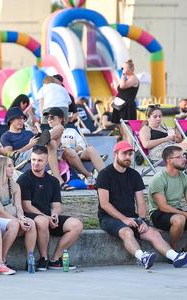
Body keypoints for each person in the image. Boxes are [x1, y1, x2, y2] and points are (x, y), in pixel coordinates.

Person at [97, 141, 187, 269]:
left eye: (130, 154)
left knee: (154, 234)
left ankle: (174, 257)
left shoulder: (134, 175)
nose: (128, 157)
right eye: (124, 154)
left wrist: (142, 220)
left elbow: (140, 202)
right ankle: (143, 256)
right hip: (108, 218)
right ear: (115, 154)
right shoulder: (104, 175)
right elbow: (105, 204)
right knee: (127, 231)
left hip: (131, 217)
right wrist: (124, 219)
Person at [17, 146, 83, 270]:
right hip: (31, 216)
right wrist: (47, 217)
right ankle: (43, 258)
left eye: (40, 160)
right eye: (33, 160)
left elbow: (57, 205)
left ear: (47, 162)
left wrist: (54, 215)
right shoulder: (24, 179)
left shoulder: (53, 181)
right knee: (43, 221)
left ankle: (55, 259)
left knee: (76, 224)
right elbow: (26, 205)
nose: (36, 163)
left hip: (47, 217)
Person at [0, 156, 37, 267]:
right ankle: (1, 260)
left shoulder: (15, 186)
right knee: (14, 225)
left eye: (12, 166)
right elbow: (0, 210)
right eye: (9, 166)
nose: (12, 168)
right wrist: (18, 221)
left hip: (11, 217)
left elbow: (18, 207)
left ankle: (30, 260)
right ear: (1, 168)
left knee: (31, 223)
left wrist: (22, 218)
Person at [43, 107, 106, 188]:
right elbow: (46, 147)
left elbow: (82, 145)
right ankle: (88, 175)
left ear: (60, 118)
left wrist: (74, 150)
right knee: (68, 151)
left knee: (91, 149)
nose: (49, 120)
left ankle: (106, 178)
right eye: (47, 118)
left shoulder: (72, 131)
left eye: (52, 117)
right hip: (60, 156)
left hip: (76, 154)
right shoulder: (48, 133)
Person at [148, 145, 187, 251]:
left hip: (176, 211)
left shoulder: (184, 177)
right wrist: (184, 213)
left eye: (184, 156)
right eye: (179, 157)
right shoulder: (159, 178)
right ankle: (173, 250)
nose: (184, 159)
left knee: (181, 217)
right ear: (169, 160)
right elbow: (163, 207)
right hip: (158, 214)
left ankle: (185, 251)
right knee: (180, 219)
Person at [111, 60, 139, 126]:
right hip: (119, 105)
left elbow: (123, 86)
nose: (122, 69)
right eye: (122, 68)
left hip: (127, 106)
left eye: (124, 68)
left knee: (126, 126)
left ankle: (127, 136)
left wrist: (123, 74)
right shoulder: (125, 78)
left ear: (131, 69)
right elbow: (120, 89)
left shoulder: (133, 78)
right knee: (119, 125)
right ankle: (123, 136)